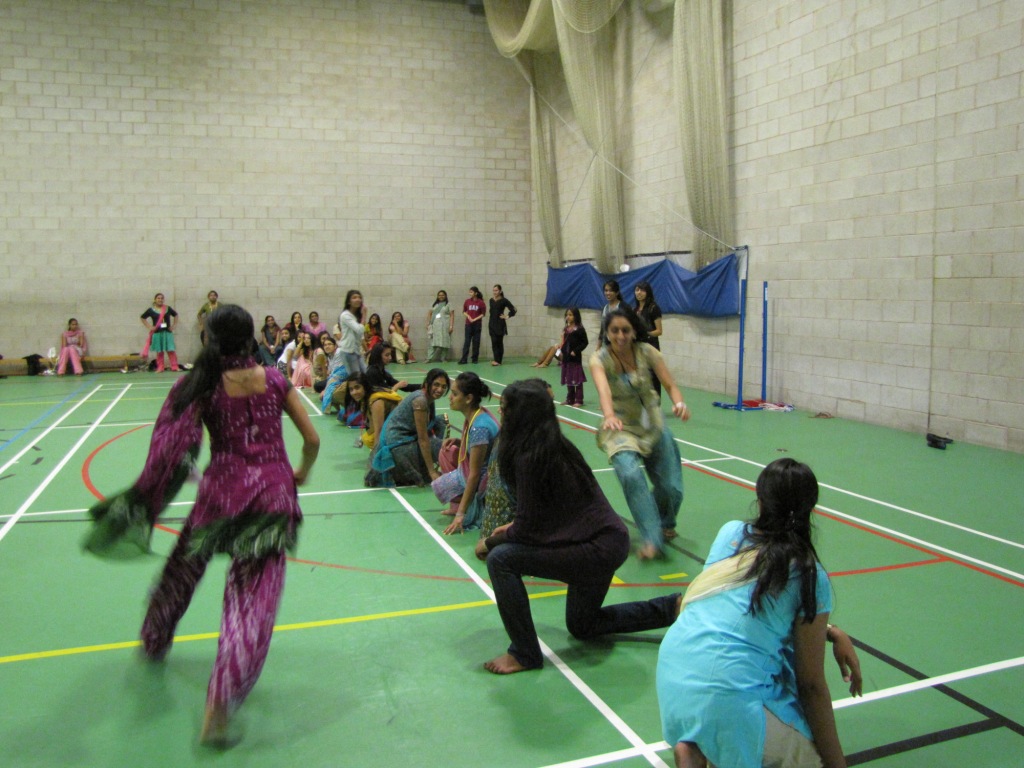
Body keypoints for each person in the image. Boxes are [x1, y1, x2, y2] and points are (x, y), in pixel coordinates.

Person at [83, 304, 320, 746]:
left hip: (219, 493)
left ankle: (154, 638)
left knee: (182, 568)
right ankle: (219, 705)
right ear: (251, 339)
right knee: (250, 602)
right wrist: (301, 471)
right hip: (271, 498)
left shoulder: (202, 385)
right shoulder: (274, 381)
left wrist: (146, 495)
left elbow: (175, 449)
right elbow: (312, 439)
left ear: (210, 340)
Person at [657, 459, 861, 768]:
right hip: (724, 694)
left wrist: (831, 631)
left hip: (675, 673)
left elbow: (733, 608)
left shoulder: (731, 534)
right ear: (810, 508)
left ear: (760, 499)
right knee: (810, 759)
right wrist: (836, 764)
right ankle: (714, 743)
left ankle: (697, 748)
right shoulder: (809, 573)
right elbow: (811, 686)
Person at [474, 379, 681, 674]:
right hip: (603, 541)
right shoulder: (549, 446)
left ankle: (524, 653)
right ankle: (670, 608)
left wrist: (492, 541)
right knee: (583, 625)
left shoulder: (531, 456)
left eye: (505, 409)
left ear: (521, 414)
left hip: (596, 548)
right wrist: (512, 526)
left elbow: (530, 531)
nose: (501, 413)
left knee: (501, 559)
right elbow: (546, 514)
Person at [590, 307, 688, 560]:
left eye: (625, 330)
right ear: (607, 333)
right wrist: (609, 415)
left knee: (671, 487)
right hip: (620, 427)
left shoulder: (648, 352)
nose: (620, 335)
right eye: (614, 331)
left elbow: (670, 384)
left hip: (653, 425)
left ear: (634, 332)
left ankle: (664, 521)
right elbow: (603, 391)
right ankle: (651, 538)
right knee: (631, 475)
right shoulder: (599, 359)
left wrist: (678, 403)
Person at [432, 372, 500, 535]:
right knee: (447, 451)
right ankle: (459, 503)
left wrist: (461, 514)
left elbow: (475, 473)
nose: (450, 397)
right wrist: (459, 442)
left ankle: (469, 505)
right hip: (480, 471)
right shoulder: (477, 414)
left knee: (445, 485)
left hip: (486, 479)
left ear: (468, 398)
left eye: (455, 394)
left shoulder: (479, 428)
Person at [365, 368, 450, 487]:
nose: (440, 389)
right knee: (444, 447)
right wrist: (431, 472)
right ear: (427, 384)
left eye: (444, 387)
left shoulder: (428, 399)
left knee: (440, 422)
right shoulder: (420, 401)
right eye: (436, 385)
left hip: (405, 438)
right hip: (398, 445)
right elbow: (423, 439)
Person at [634, 280, 664, 397]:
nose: (639, 293)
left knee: (653, 376)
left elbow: (659, 331)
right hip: (638, 348)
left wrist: (646, 334)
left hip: (651, 347)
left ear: (648, 292)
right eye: (637, 290)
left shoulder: (653, 308)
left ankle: (655, 404)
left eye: (642, 290)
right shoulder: (635, 310)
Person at [140, 292, 180, 372]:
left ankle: (175, 366)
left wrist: (173, 326)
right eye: (158, 298)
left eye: (162, 298)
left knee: (171, 350)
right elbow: (142, 317)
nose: (160, 300)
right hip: (157, 333)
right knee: (159, 351)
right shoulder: (151, 310)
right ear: (155, 300)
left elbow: (175, 315)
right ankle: (160, 367)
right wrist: (150, 327)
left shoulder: (168, 308)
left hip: (167, 332)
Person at [560, 308, 588, 406]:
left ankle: (579, 400)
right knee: (569, 379)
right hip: (567, 358)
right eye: (567, 314)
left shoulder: (580, 329)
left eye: (571, 315)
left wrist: (576, 351)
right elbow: (564, 342)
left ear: (576, 316)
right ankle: (570, 399)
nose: (568, 317)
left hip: (575, 359)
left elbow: (585, 342)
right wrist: (561, 349)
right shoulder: (565, 329)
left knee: (577, 380)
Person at [338, 290, 367, 374]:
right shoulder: (345, 315)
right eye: (354, 298)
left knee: (365, 373)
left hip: (356, 351)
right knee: (355, 377)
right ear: (349, 302)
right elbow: (359, 329)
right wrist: (364, 315)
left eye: (359, 297)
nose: (358, 299)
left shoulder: (357, 316)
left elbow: (360, 335)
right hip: (348, 351)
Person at [487, 284, 517, 366]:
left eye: (496, 290)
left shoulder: (504, 300)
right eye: (493, 290)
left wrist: (507, 316)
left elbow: (513, 309)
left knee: (499, 342)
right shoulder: (491, 300)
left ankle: (499, 361)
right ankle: (496, 359)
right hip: (492, 324)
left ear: (500, 291)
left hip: (500, 324)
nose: (494, 292)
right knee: (494, 342)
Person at [457, 286, 486, 365]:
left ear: (476, 293)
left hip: (477, 325)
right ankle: (464, 359)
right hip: (468, 325)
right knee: (467, 342)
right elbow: (464, 311)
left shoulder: (481, 302)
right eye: (469, 292)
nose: (470, 293)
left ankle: (475, 358)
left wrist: (475, 319)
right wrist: (468, 316)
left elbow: (483, 314)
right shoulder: (467, 301)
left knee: (476, 342)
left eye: (471, 292)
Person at [426, 290, 455, 363]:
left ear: (445, 296)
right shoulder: (435, 305)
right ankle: (429, 358)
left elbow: (452, 315)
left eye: (443, 295)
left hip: (445, 326)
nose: (441, 296)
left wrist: (451, 326)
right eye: (439, 295)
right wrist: (428, 323)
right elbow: (430, 313)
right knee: (433, 342)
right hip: (435, 326)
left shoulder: (448, 304)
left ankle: (443, 358)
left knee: (445, 342)